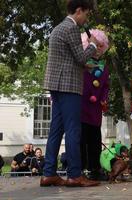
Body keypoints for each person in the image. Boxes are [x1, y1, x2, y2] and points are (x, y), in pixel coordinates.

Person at [41, 0, 101, 187]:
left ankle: (49, 173)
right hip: (69, 86)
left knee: (56, 130)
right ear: (78, 10)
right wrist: (92, 45)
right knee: (74, 130)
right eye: (87, 14)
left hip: (56, 85)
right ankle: (75, 174)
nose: (87, 18)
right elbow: (80, 55)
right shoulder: (72, 28)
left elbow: (69, 58)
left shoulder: (59, 28)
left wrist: (84, 65)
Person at [80, 29, 109, 180]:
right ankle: (81, 169)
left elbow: (106, 86)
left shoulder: (104, 67)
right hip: (82, 106)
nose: (98, 49)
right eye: (95, 45)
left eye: (100, 46)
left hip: (96, 109)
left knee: (95, 140)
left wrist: (104, 99)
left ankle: (95, 169)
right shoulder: (82, 64)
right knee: (81, 139)